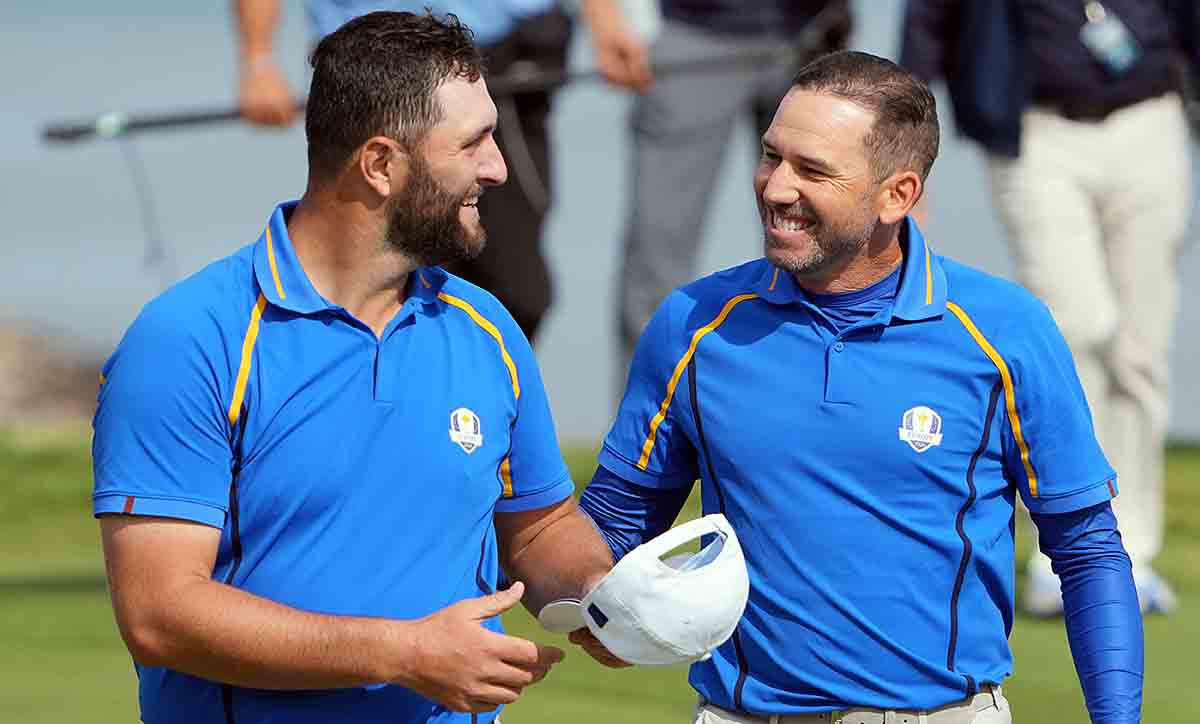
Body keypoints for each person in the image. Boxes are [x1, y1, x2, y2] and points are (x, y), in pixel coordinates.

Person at [577, 51, 1145, 723]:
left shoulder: (1005, 331)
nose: (776, 187)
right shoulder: (695, 325)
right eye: (771, 156)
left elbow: (1086, 550)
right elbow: (616, 519)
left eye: (812, 170)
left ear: (896, 195)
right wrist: (564, 597)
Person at [93, 12, 613, 724]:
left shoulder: (487, 328)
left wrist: (605, 597)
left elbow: (538, 526)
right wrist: (402, 654)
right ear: (381, 164)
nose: (497, 167)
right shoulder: (190, 339)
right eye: (474, 142)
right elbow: (158, 614)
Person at [900, 0, 1196, 616]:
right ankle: (1064, 553)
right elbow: (929, 21)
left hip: (1151, 118)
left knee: (1139, 352)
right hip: (1034, 131)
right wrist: (903, 153)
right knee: (1078, 328)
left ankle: (1129, 551)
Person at [236, 0, 573, 342]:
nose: (496, 170)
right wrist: (259, 58)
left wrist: (605, 18)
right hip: (370, 67)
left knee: (519, 293)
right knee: (395, 281)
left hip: (503, 55)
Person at [577, 0, 853, 385]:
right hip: (696, 32)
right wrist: (604, 17)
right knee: (657, 254)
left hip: (816, 33)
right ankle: (648, 432)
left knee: (834, 250)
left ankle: (828, 412)